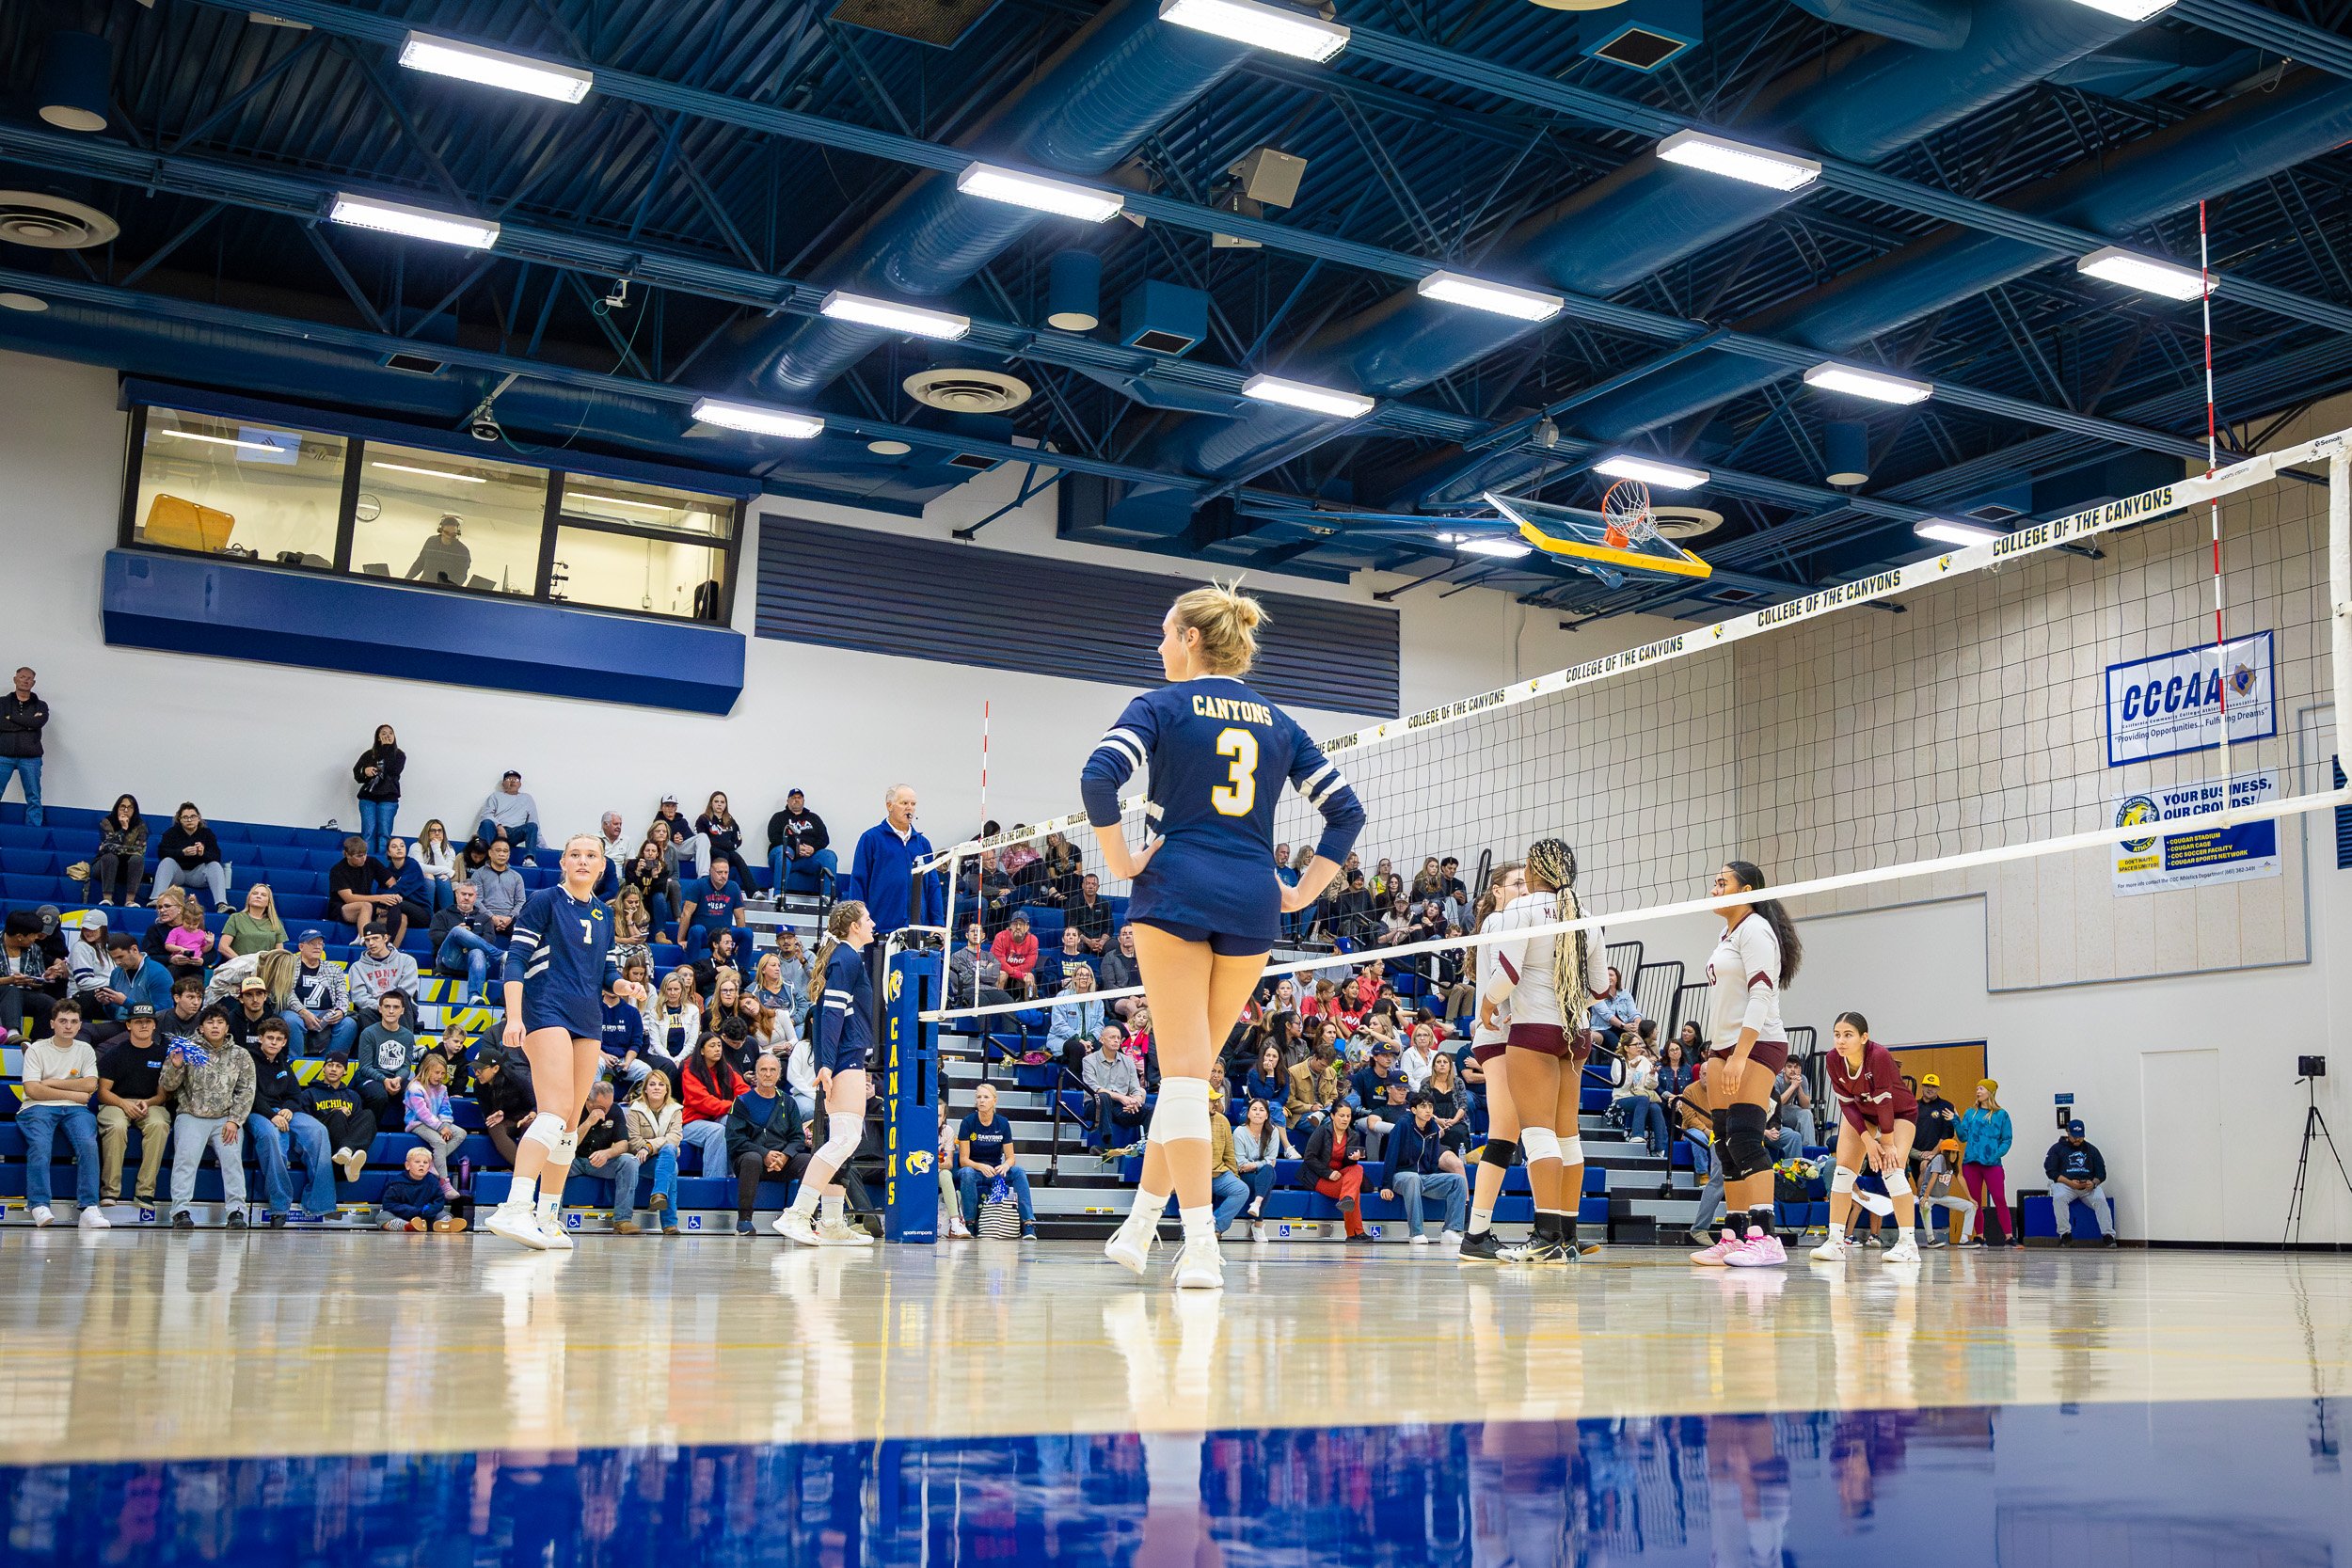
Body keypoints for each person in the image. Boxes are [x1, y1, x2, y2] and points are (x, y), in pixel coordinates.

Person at [1080, 583, 1364, 1291]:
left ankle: (1203, 1244)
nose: (1159, 646)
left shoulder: (1162, 705)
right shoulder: (1280, 722)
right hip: (1251, 900)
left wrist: (1120, 862)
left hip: (1176, 888)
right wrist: (1303, 890)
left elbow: (1098, 776)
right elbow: (1347, 813)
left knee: (1180, 1075)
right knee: (1189, 1072)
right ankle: (1141, 1224)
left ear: (1192, 639)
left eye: (1165, 633)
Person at [484, 834, 645, 1250]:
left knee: (570, 1124)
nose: (582, 861)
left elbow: (606, 970)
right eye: (575, 854)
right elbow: (515, 959)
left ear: (603, 866)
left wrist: (624, 986)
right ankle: (515, 1206)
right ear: (563, 863)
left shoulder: (604, 914)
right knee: (554, 1112)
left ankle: (547, 1217)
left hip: (588, 1016)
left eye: (591, 855)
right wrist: (514, 1016)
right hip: (545, 1008)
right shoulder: (544, 901)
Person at [1476, 839, 1599, 1265]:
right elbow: (1601, 988)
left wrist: (1488, 1003)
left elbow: (1508, 973)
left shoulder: (1520, 910)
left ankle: (1546, 1236)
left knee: (1537, 1134)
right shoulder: (1585, 915)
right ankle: (1568, 1236)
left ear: (1534, 869)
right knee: (1568, 1135)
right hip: (1577, 1032)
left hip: (1535, 1030)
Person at [1688, 861, 1802, 1270]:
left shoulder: (1755, 929)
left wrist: (1740, 1054)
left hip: (1757, 1043)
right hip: (1723, 1046)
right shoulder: (1727, 933)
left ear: (1747, 891)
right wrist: (1721, 1051)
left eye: (1722, 883)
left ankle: (1766, 1238)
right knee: (1724, 1141)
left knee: (1746, 1139)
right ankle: (1734, 1236)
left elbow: (1761, 995)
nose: (1714, 889)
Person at [774, 900, 882, 1246]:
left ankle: (832, 1221)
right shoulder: (847, 958)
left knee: (845, 1142)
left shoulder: (845, 957)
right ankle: (797, 1213)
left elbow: (828, 1015)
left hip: (845, 1057)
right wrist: (826, 1063)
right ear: (853, 926)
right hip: (845, 1058)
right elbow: (831, 1016)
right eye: (867, 919)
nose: (873, 923)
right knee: (844, 1140)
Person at [1810, 1012, 1921, 1263]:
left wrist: (1887, 1144)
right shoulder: (1832, 1059)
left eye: (1848, 1035)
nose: (1841, 1041)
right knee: (1842, 1173)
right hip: (1863, 1113)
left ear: (1864, 1037)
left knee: (1893, 1171)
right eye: (1837, 1035)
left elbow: (1884, 1103)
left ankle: (1908, 1245)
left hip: (1899, 1113)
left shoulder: (1879, 1056)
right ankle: (1835, 1243)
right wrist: (1868, 1141)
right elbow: (1847, 1105)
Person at [159, 1006, 255, 1228]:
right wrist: (175, 1066)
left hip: (226, 1119)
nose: (215, 1026)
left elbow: (246, 1091)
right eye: (210, 1022)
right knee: (185, 1159)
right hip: (191, 1115)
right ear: (201, 1028)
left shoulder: (241, 1055)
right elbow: (168, 1086)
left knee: (232, 1161)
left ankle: (236, 1212)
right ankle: (180, 1210)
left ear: (227, 1027)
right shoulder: (187, 1049)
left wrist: (235, 1121)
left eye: (220, 1022)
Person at [19, 1000, 105, 1227]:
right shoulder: (36, 1049)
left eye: (74, 1022)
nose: (68, 1026)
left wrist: (52, 1082)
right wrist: (76, 1094)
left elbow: (90, 1085)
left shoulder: (85, 1049)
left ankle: (89, 1207)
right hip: (37, 1107)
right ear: (52, 1024)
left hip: (75, 1110)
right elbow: (33, 1090)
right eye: (63, 1021)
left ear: (80, 1025)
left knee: (88, 1145)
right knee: (40, 1145)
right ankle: (38, 1204)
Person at [245, 1016, 335, 1226]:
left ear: (285, 1042)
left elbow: (295, 1095)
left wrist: (287, 1109)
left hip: (283, 1111)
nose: (274, 1042)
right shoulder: (247, 1060)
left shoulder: (284, 1062)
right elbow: (249, 1096)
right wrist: (272, 1115)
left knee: (318, 1130)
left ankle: (319, 1204)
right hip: (256, 1112)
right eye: (270, 1038)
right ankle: (279, 1206)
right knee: (271, 1135)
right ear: (260, 1038)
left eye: (279, 1039)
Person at [96, 1003, 173, 1206]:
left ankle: (145, 1192)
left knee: (159, 1125)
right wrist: (124, 1104)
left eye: (148, 1021)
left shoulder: (163, 1054)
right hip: (116, 1102)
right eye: (138, 1021)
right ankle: (110, 1191)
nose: (144, 1025)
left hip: (150, 1103)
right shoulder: (114, 1053)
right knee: (116, 1126)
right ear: (128, 1025)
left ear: (155, 1025)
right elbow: (103, 1093)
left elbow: (162, 1095)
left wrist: (147, 1102)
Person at [724, 1052, 805, 1236]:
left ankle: (803, 1218)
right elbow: (735, 1138)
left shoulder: (788, 1102)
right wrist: (764, 1153)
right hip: (752, 1161)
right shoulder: (742, 1101)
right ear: (756, 1073)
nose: (768, 1074)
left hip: (782, 1161)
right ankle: (744, 1220)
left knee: (808, 1162)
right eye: (763, 1070)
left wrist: (786, 1155)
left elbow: (797, 1137)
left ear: (779, 1074)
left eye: (772, 1070)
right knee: (752, 1158)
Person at [849, 786, 942, 937]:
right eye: (904, 803)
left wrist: (937, 923)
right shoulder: (871, 838)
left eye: (913, 804)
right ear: (889, 806)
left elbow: (933, 885)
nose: (909, 808)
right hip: (880, 930)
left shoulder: (923, 844)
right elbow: (859, 882)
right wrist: (858, 920)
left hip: (916, 931)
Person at [1381, 1090, 1468, 1244]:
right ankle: (1416, 1233)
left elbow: (1433, 1159)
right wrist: (1386, 1185)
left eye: (1430, 1106)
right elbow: (1391, 1155)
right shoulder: (1403, 1124)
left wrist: (1435, 1178)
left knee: (1458, 1181)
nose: (1428, 1110)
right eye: (1423, 1106)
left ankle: (1451, 1230)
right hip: (1401, 1176)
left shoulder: (1433, 1127)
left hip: (1423, 1178)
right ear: (1414, 1110)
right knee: (1413, 1178)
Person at [957, 1081, 1035, 1240]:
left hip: (996, 1170)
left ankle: (1028, 1224)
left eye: (986, 1097)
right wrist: (980, 1166)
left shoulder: (1003, 1123)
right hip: (976, 1170)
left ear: (994, 1100)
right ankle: (970, 1223)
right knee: (966, 1173)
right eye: (979, 1097)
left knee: (1019, 1171)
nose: (982, 1101)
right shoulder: (968, 1122)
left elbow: (1011, 1158)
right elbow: (963, 1160)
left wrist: (1005, 1165)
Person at [569, 1079, 641, 1232]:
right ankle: (552, 1216)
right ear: (588, 1100)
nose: (606, 1112)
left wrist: (607, 1153)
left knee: (630, 1161)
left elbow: (623, 1144)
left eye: (608, 1107)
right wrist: (588, 1122)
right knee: (555, 1160)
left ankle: (623, 1220)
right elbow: (569, 1144)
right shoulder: (575, 1108)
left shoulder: (615, 1111)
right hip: (573, 1160)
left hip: (600, 1162)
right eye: (601, 1107)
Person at [1299, 1101, 1372, 1243]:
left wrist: (1353, 1160)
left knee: (1358, 1168)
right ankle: (1355, 1232)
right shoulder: (1322, 1131)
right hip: (1319, 1177)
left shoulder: (1353, 1135)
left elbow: (1349, 1167)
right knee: (1354, 1191)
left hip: (1341, 1177)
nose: (1345, 1119)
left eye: (1348, 1116)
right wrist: (1328, 1173)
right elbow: (1309, 1157)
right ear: (1332, 1116)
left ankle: (1347, 1200)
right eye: (1341, 1116)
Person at [626, 1071, 686, 1234]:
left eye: (661, 1084)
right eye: (652, 1084)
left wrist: (649, 1146)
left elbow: (675, 1137)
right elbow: (634, 1142)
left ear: (667, 1089)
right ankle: (669, 1223)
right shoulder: (635, 1109)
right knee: (671, 1166)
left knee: (669, 1152)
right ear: (645, 1089)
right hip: (641, 1161)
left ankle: (659, 1194)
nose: (657, 1088)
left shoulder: (675, 1110)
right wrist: (649, 1147)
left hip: (661, 1156)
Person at [404, 1049, 467, 1204]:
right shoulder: (414, 1088)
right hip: (417, 1123)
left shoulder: (443, 1089)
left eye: (443, 1073)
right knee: (439, 1142)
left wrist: (445, 1124)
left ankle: (431, 1162)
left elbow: (446, 1109)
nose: (440, 1076)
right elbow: (422, 1113)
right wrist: (440, 1128)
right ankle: (444, 1183)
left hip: (437, 1123)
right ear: (426, 1070)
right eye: (437, 1072)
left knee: (461, 1133)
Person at [278, 928, 353, 1057]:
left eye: (320, 944)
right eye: (312, 943)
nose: (318, 947)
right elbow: (285, 992)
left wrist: (341, 1010)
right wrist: (303, 1011)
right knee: (291, 1020)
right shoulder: (288, 966)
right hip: (296, 1012)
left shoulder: (334, 968)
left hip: (327, 1013)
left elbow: (343, 994)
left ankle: (329, 1061)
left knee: (349, 1024)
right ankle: (295, 1061)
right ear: (301, 947)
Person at [305, 1052, 376, 1186]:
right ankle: (347, 1161)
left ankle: (347, 1151)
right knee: (338, 1115)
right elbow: (306, 1125)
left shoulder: (353, 1096)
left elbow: (357, 1127)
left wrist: (347, 1115)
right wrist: (333, 1113)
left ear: (345, 1071)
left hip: (345, 1138)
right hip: (324, 1141)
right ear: (323, 1068)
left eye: (338, 1066)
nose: (333, 1069)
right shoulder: (309, 1093)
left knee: (368, 1114)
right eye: (330, 1065)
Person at [680, 1033, 747, 1174]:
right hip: (692, 1122)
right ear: (702, 1051)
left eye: (719, 1045)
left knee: (734, 1121)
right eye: (712, 1046)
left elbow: (742, 1089)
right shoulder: (690, 1070)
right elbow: (704, 1102)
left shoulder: (726, 1068)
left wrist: (746, 1103)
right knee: (717, 1131)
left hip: (717, 1117)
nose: (717, 1049)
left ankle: (734, 1174)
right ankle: (714, 1180)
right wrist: (733, 1106)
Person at [431, 879, 504, 1006]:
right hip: (449, 958)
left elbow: (490, 940)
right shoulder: (442, 915)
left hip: (475, 960)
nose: (466, 898)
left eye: (470, 895)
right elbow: (434, 937)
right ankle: (499, 955)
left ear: (475, 897)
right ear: (456, 894)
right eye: (463, 894)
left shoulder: (485, 918)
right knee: (457, 931)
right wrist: (457, 935)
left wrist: (469, 938)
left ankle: (475, 996)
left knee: (477, 951)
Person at [1959, 1079, 2014, 1246]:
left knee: (1999, 1198)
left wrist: (1996, 1154)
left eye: (1981, 1088)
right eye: (1977, 1089)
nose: (1978, 1091)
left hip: (1992, 1164)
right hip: (1971, 1163)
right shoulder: (1970, 1113)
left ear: (1990, 1092)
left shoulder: (2001, 1114)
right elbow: (1962, 1137)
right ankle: (1979, 1235)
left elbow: (2007, 1139)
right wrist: (1955, 1120)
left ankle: (2009, 1236)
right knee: (1975, 1201)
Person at [2044, 1119, 2118, 1244]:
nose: (2078, 1139)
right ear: (2068, 1133)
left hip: (2088, 1186)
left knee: (2100, 1200)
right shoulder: (2057, 1149)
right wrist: (2069, 1182)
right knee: (2059, 1198)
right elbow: (2051, 1171)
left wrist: (2093, 1183)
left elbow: (2101, 1173)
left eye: (2080, 1136)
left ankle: (2108, 1235)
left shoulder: (2091, 1150)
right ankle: (2065, 1233)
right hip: (2066, 1184)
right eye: (2074, 1136)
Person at [356, 990, 419, 1131]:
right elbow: (365, 1067)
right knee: (380, 1095)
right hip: (370, 1078)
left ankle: (408, 1131)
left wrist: (398, 1079)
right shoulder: (368, 1033)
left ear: (402, 1010)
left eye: (395, 1007)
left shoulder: (408, 1036)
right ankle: (369, 1131)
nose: (391, 1011)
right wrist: (384, 1080)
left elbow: (406, 1066)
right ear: (380, 1009)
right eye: (387, 1006)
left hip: (395, 1077)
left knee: (414, 1092)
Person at [1083, 1021, 1148, 1153]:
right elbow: (1094, 1088)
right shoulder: (1089, 1060)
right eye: (1112, 1037)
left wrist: (1135, 1101)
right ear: (1102, 1040)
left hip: (1120, 1107)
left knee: (1149, 1110)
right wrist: (1122, 1097)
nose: (1116, 1040)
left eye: (1118, 1038)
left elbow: (1135, 1089)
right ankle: (1106, 1146)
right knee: (1103, 1096)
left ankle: (1147, 1147)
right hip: (1095, 1106)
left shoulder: (1128, 1061)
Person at [151, 801, 230, 911]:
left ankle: (221, 904)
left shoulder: (207, 833)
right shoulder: (171, 833)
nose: (189, 820)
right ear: (179, 820)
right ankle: (157, 900)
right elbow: (162, 853)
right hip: (177, 873)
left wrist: (202, 854)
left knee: (215, 865)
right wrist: (182, 853)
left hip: (197, 874)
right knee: (167, 861)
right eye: (185, 817)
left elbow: (217, 856)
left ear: (198, 818)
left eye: (193, 817)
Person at [378, 1145, 466, 1231]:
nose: (421, 1165)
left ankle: (444, 1225)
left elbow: (439, 1201)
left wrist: (427, 1210)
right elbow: (389, 1204)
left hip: (427, 1217)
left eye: (425, 1162)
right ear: (407, 1165)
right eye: (417, 1162)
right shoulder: (397, 1183)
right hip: (403, 1216)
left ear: (429, 1167)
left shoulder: (433, 1181)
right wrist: (412, 1211)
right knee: (382, 1216)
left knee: (444, 1215)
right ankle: (407, 1226)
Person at [676, 858, 750, 958]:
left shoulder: (734, 887)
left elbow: (739, 917)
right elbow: (686, 913)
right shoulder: (698, 885)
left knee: (747, 933)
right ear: (711, 871)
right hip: (703, 936)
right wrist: (681, 939)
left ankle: (742, 967)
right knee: (697, 930)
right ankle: (692, 966)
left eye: (726, 872)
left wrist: (738, 943)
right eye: (719, 872)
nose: (723, 876)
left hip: (723, 937)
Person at [767, 788, 836, 894]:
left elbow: (824, 839)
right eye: (793, 797)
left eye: (799, 797)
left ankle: (828, 896)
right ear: (788, 801)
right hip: (785, 857)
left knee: (829, 855)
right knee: (784, 850)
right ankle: (779, 894)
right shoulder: (778, 817)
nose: (796, 800)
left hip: (808, 859)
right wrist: (796, 847)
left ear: (803, 801)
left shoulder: (814, 818)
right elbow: (773, 837)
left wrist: (813, 848)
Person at [0, 664, 46, 823]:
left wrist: (11, 718)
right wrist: (28, 724)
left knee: (34, 796)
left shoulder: (41, 705)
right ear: (15, 679)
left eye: (29, 678)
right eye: (22, 677)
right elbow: (1, 724)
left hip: (31, 758)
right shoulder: (2, 703)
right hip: (3, 755)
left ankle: (34, 831)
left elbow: (37, 723)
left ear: (33, 683)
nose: (25, 681)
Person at [1613, 1036, 1671, 1157]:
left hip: (1641, 1097)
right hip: (1622, 1098)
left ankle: (1660, 1149)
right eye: (1636, 1045)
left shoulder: (1643, 1060)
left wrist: (1652, 1074)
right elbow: (1621, 1085)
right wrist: (1632, 1070)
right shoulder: (1619, 1061)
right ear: (1626, 1048)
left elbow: (1652, 1085)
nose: (1640, 1047)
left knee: (1655, 1108)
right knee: (1643, 1100)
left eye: (1640, 1044)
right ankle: (1637, 1135)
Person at [353, 724, 405, 860]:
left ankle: (381, 865)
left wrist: (386, 748)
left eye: (390, 733)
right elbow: (357, 773)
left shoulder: (399, 755)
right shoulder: (368, 754)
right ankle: (366, 864)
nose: (387, 736)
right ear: (378, 737)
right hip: (368, 797)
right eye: (384, 733)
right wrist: (365, 772)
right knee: (368, 833)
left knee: (384, 834)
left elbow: (393, 770)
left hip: (388, 798)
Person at [346, 927, 420, 1018]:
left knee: (401, 996)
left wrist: (390, 1006)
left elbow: (406, 990)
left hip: (400, 1008)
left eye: (375, 938)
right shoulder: (356, 967)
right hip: (374, 1010)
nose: (371, 943)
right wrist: (381, 1007)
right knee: (364, 1013)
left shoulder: (407, 960)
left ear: (385, 938)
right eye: (367, 940)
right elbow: (359, 997)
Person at [87, 794, 146, 906]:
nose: (125, 810)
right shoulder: (107, 822)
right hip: (103, 866)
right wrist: (123, 830)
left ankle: (130, 901)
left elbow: (140, 850)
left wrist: (115, 848)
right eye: (123, 806)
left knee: (137, 859)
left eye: (130, 807)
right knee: (110, 857)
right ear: (117, 808)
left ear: (134, 810)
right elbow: (108, 848)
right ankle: (107, 899)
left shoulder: (140, 826)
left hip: (127, 868)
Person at [474, 770, 542, 863]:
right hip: (496, 832)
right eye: (509, 779)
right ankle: (487, 858)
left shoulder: (527, 798)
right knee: (486, 823)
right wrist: (499, 826)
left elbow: (535, 822)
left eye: (516, 780)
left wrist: (544, 846)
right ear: (503, 783)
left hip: (514, 833)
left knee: (532, 826)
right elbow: (486, 815)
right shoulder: (495, 796)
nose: (513, 781)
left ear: (520, 784)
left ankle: (529, 859)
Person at [469, 838, 528, 938]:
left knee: (528, 935)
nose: (502, 854)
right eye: (498, 850)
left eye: (505, 851)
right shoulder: (478, 874)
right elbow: (477, 900)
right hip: (485, 916)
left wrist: (510, 917)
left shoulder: (516, 877)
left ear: (509, 854)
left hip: (510, 918)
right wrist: (492, 917)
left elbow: (521, 901)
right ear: (490, 853)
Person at [695, 791, 754, 887]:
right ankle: (721, 887)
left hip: (727, 852)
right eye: (716, 801)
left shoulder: (731, 821)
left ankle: (754, 891)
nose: (719, 804)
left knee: (736, 857)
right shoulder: (703, 819)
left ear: (726, 805)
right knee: (724, 854)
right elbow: (700, 839)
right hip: (710, 852)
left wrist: (727, 845)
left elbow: (738, 840)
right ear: (711, 803)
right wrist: (723, 844)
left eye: (722, 802)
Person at [217, 883, 287, 961]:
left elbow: (279, 952)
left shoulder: (275, 922)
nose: (258, 896)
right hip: (239, 965)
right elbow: (223, 947)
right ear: (249, 898)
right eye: (255, 893)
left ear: (268, 902)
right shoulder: (236, 918)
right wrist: (242, 962)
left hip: (264, 966)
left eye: (263, 895)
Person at [406, 513, 471, 586]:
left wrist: (449, 588)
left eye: (453, 535)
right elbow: (420, 563)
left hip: (444, 589)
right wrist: (407, 579)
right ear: (441, 530)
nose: (449, 537)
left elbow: (461, 576)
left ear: (457, 533)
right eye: (447, 533)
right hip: (425, 586)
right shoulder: (431, 542)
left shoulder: (463, 552)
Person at [990, 911, 1040, 1001]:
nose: (1018, 927)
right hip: (1001, 972)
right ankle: (996, 1003)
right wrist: (1019, 974)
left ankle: (1029, 1004)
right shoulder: (1001, 937)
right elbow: (1000, 964)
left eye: (1022, 924)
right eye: (1015, 923)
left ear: (1027, 927)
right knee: (1002, 975)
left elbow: (1029, 965)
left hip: (1018, 974)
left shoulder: (1033, 940)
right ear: (1010, 926)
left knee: (1030, 977)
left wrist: (1015, 973)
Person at [416, 818, 461, 913]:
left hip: (439, 883)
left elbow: (445, 872)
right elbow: (419, 867)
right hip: (419, 881)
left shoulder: (450, 850)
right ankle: (428, 917)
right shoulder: (416, 846)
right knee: (429, 879)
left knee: (444, 880)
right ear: (426, 833)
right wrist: (446, 870)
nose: (437, 833)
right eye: (433, 830)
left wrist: (436, 848)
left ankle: (449, 917)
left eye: (440, 831)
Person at [1773, 1059, 1818, 1153]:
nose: (1793, 1070)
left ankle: (1809, 1150)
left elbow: (1806, 1105)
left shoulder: (1803, 1079)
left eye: (1796, 1067)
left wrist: (1799, 1087)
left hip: (1787, 1109)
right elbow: (1777, 1103)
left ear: (1800, 1070)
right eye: (1789, 1066)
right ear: (1784, 1069)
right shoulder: (1777, 1079)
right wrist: (1793, 1086)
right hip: (1774, 1111)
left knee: (1806, 1113)